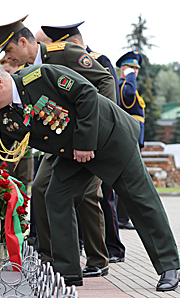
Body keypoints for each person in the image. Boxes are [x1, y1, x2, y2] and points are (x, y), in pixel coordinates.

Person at [0, 54, 180, 291]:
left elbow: (87, 94)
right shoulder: (5, 117)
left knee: (140, 201)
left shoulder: (42, 76)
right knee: (56, 196)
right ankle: (67, 272)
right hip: (74, 155)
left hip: (110, 138)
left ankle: (169, 267)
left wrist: (84, 142)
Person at [0, 16, 115, 277]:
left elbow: (104, 82)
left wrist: (98, 132)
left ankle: (98, 260)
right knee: (42, 188)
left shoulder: (63, 54)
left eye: (9, 50)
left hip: (89, 139)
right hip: (60, 143)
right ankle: (47, 257)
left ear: (22, 42)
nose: (9, 58)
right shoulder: (25, 73)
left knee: (88, 196)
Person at [40, 22, 127, 264]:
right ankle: (69, 251)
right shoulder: (49, 64)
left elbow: (107, 91)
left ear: (72, 44)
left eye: (48, 46)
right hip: (68, 141)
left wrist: (100, 131)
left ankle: (111, 249)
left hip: (95, 140)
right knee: (57, 193)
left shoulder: (96, 59)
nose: (45, 52)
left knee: (98, 196)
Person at [116, 51, 145, 231]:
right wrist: (130, 78)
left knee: (130, 179)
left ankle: (122, 216)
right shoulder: (123, 86)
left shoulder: (129, 85)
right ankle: (121, 217)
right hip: (129, 137)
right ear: (123, 69)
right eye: (130, 68)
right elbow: (127, 98)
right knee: (128, 180)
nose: (134, 71)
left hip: (135, 138)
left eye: (136, 68)